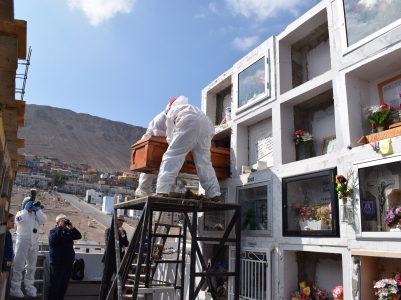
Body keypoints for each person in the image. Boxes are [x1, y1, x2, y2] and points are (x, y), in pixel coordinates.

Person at [156, 96, 221, 201]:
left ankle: (162, 190)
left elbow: (170, 137)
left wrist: (180, 150)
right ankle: (214, 193)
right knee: (204, 163)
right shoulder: (192, 108)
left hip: (188, 123)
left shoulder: (172, 111)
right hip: (207, 127)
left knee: (171, 157)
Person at [10, 191, 47, 298]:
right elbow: (18, 220)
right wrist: (26, 210)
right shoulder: (21, 214)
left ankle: (29, 286)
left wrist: (37, 210)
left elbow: (44, 219)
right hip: (23, 241)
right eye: (30, 205)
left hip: (34, 242)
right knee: (19, 265)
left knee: (31, 266)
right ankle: (15, 287)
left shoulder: (36, 216)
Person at [48, 214, 82, 300]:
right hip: (57, 264)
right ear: (57, 222)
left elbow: (78, 236)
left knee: (63, 288)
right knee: (55, 287)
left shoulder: (68, 232)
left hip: (68, 264)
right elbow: (53, 238)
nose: (64, 223)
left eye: (65, 220)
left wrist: (72, 227)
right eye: (62, 221)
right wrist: (60, 227)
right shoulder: (53, 231)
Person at [135, 111, 167, 198]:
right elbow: (161, 134)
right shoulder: (163, 118)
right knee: (149, 169)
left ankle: (144, 190)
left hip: (155, 144)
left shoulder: (165, 116)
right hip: (153, 144)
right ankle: (143, 190)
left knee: (152, 169)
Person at [0, 213, 14, 300]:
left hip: (5, 268)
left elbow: (9, 254)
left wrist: (7, 269)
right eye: (11, 221)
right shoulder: (4, 236)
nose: (13, 223)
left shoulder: (8, 234)